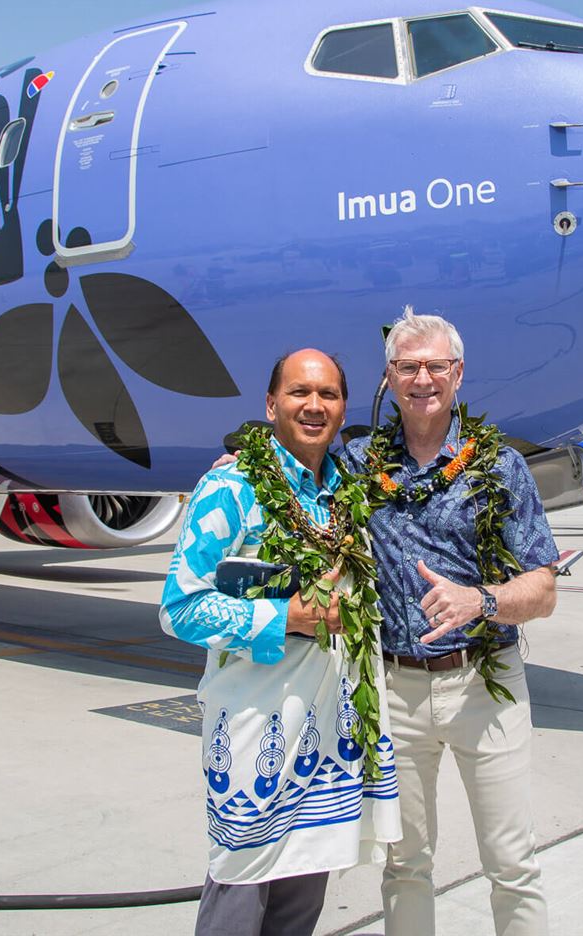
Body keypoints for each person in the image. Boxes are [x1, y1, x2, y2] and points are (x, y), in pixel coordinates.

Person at [160, 349, 399, 936]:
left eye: (329, 395)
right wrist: (286, 616)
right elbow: (179, 609)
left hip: (326, 738)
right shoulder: (231, 486)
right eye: (299, 393)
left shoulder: (349, 494)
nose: (314, 406)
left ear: (344, 410)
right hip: (254, 728)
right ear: (271, 405)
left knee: (301, 899)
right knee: (241, 891)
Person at [343, 307, 559, 936]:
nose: (423, 379)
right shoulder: (358, 466)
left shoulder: (499, 467)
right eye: (408, 367)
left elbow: (543, 589)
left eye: (436, 366)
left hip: (483, 687)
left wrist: (481, 601)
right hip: (393, 692)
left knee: (512, 863)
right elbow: (299, 495)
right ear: (390, 377)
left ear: (458, 373)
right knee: (404, 863)